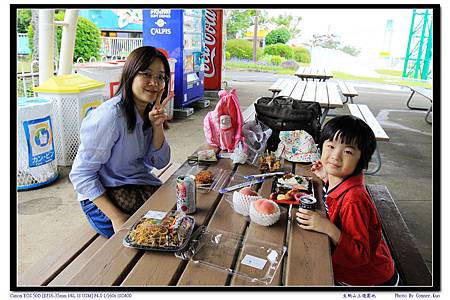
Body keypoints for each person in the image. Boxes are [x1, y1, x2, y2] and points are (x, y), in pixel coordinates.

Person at [69, 46, 172, 238]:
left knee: (175, 220)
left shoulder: (148, 112)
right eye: (147, 74)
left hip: (135, 185)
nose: (154, 83)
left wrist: (157, 126)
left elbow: (159, 162)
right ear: (131, 74)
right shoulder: (110, 116)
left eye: (161, 77)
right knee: (147, 240)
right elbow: (81, 174)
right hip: (102, 199)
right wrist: (117, 218)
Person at [296, 115, 400, 286]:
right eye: (330, 146)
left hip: (367, 279)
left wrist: (327, 227)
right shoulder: (342, 179)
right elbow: (336, 192)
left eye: (348, 151)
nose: (335, 156)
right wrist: (326, 177)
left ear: (361, 160)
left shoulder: (354, 200)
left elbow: (360, 255)